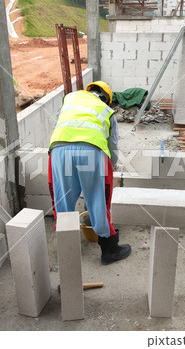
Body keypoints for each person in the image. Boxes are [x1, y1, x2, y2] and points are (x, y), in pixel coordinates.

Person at [48, 81, 131, 265]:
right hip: (92, 151)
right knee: (98, 200)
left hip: (59, 150)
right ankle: (109, 250)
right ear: (107, 99)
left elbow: (57, 124)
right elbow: (112, 146)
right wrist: (111, 167)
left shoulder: (69, 99)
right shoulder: (106, 110)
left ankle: (66, 253)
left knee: (63, 200)